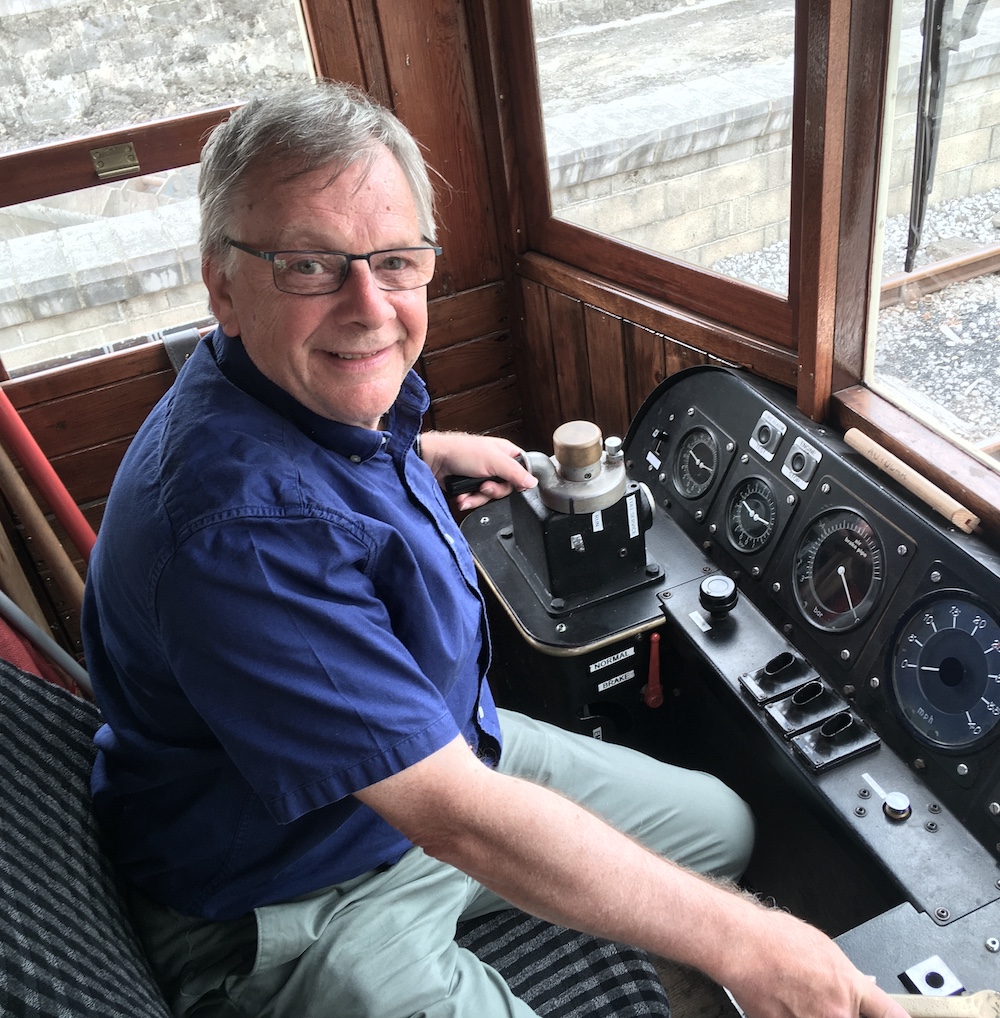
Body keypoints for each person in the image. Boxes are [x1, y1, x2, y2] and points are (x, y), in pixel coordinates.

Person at [82, 80, 908, 1018]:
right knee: (699, 906)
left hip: (439, 759)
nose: (369, 305)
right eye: (308, 264)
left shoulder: (297, 389)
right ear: (224, 285)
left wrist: (432, 451)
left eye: (396, 260)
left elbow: (328, 479)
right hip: (295, 890)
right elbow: (457, 818)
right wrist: (751, 943)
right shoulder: (238, 533)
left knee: (722, 829)